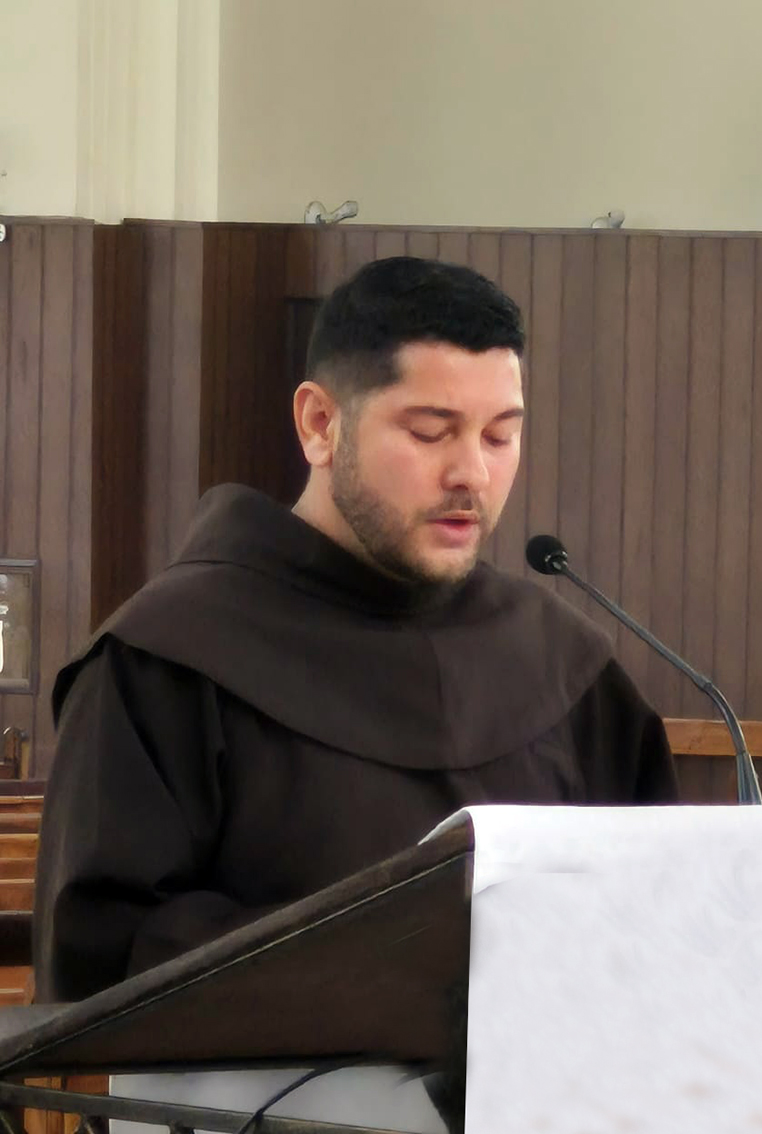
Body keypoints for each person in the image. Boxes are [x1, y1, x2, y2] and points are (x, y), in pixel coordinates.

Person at [34, 256, 677, 1007]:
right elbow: (104, 957)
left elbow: (654, 915)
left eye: (500, 437)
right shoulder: (165, 659)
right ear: (320, 424)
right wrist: (407, 976)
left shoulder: (564, 665)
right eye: (431, 432)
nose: (471, 474)